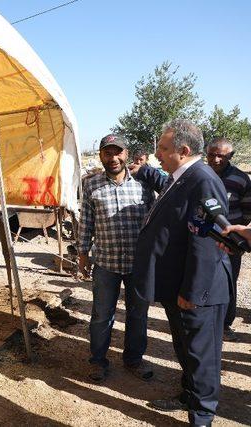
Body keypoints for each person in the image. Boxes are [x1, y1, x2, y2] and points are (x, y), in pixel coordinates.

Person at [132, 120, 231, 427]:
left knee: (201, 355)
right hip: (181, 287)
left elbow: (206, 244)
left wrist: (192, 293)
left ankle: (202, 415)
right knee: (185, 348)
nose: (157, 154)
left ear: (183, 151)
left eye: (162, 148)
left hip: (198, 292)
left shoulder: (202, 180)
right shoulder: (181, 178)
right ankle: (189, 395)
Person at [77, 134, 155, 383]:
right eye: (107, 153)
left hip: (137, 265)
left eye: (117, 152)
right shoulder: (90, 184)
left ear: (126, 154)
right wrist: (82, 254)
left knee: (138, 314)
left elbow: (151, 223)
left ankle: (134, 360)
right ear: (100, 155)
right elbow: (86, 222)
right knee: (101, 315)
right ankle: (97, 361)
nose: (113, 158)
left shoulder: (143, 184)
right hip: (106, 264)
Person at [206, 137, 251, 342]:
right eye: (212, 155)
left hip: (230, 244)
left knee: (228, 283)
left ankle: (225, 324)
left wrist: (238, 236)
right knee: (201, 280)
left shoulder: (241, 179)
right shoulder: (199, 175)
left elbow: (248, 212)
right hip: (202, 240)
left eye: (221, 156)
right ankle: (203, 321)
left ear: (230, 157)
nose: (215, 159)